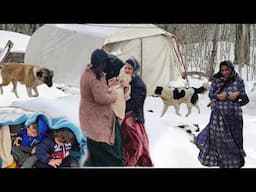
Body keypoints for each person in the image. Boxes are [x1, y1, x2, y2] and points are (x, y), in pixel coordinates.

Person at [195, 60, 247, 168]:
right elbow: (211, 94)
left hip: (234, 115)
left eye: (226, 69)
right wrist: (217, 96)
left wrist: (237, 95)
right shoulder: (217, 80)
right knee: (219, 140)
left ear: (231, 69)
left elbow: (244, 98)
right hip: (218, 115)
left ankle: (234, 162)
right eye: (222, 70)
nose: (224, 72)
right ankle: (219, 162)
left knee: (233, 140)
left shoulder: (238, 80)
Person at [79, 49, 124, 166]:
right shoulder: (96, 78)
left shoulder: (88, 71)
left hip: (87, 113)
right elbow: (101, 98)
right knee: (105, 149)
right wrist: (113, 96)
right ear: (102, 63)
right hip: (96, 118)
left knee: (94, 149)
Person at [121, 56, 153, 167]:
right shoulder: (126, 80)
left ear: (135, 70)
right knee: (126, 143)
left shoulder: (138, 84)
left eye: (129, 68)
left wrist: (121, 108)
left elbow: (135, 103)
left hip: (133, 118)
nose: (126, 70)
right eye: (125, 68)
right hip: (125, 115)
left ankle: (137, 163)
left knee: (136, 144)